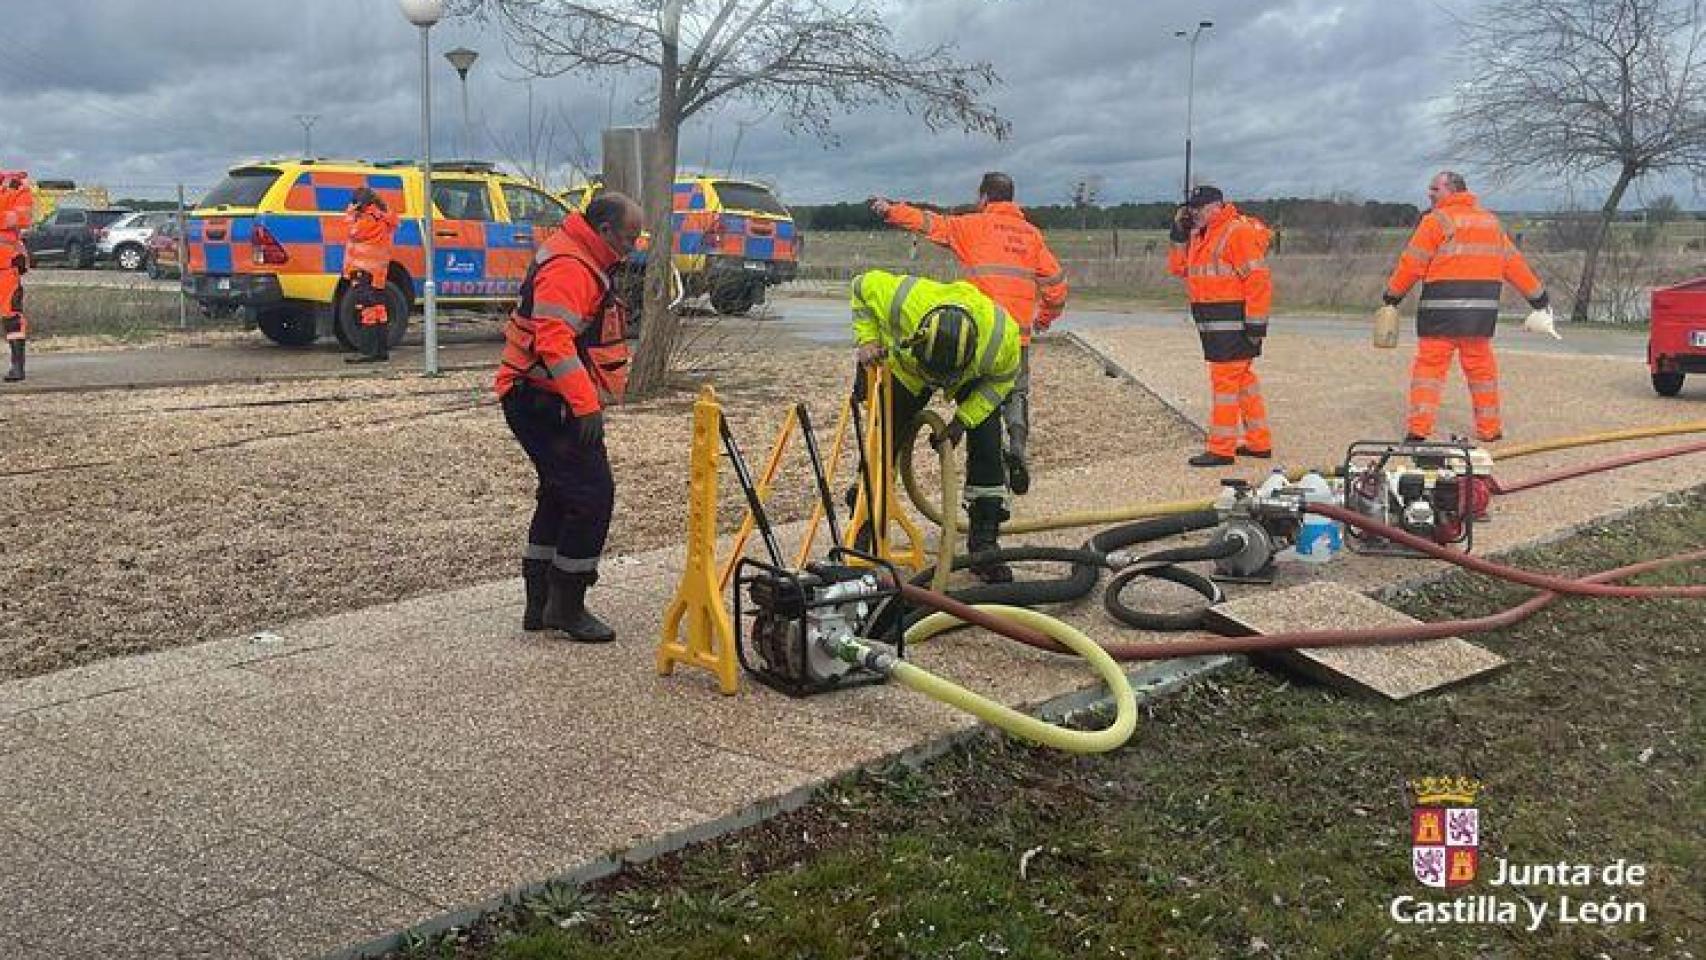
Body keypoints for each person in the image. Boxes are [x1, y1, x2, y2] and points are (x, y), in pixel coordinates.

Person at [495, 193, 642, 642]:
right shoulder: (571, 266)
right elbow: (553, 340)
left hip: (540, 396)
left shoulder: (578, 255)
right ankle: (567, 604)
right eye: (628, 237)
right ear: (603, 230)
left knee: (560, 495)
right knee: (593, 496)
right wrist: (585, 404)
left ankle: (539, 604)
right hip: (544, 400)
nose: (632, 247)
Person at [868, 173, 1067, 496]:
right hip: (1015, 338)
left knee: (969, 399)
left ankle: (883, 480)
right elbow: (1057, 285)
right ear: (1012, 199)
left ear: (985, 198)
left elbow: (929, 223)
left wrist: (890, 210)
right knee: (1013, 394)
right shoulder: (1032, 236)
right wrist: (1044, 318)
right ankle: (1016, 446)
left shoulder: (972, 224)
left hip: (974, 335)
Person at [850, 268, 1022, 584]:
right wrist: (868, 339)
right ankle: (865, 526)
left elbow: (1000, 383)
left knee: (987, 442)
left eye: (942, 380)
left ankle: (984, 542)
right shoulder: (901, 301)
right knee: (882, 443)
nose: (938, 386)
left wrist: (963, 420)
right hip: (906, 369)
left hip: (971, 379)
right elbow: (860, 286)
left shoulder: (1000, 340)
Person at [1381, 171, 1549, 443]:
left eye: (1435, 188)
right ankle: (1490, 430)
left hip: (1439, 316)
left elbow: (1412, 263)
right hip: (1479, 317)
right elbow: (1513, 264)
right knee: (1482, 373)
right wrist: (1538, 297)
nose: (1430, 193)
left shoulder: (1435, 222)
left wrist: (1392, 296)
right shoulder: (1490, 223)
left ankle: (1418, 431)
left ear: (1452, 190)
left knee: (1429, 373)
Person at [1167, 185, 1274, 467]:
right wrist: (1179, 235)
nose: (1194, 213)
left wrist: (1255, 326)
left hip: (1233, 324)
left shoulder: (1236, 232)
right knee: (1243, 383)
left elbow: (1258, 280)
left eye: (1199, 208)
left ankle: (1221, 449)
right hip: (1216, 324)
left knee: (1225, 385)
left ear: (1216, 207)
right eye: (1191, 209)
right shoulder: (1201, 234)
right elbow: (1180, 269)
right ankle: (1259, 442)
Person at [342, 187, 400, 364]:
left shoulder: (368, 218)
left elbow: (354, 232)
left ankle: (367, 351)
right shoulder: (382, 215)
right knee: (378, 309)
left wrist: (351, 213)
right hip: (377, 271)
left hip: (364, 270)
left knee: (366, 309)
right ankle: (381, 351)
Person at [0, 171, 33, 383]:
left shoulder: (16, 186)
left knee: (11, 315)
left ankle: (17, 367)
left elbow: (22, 218)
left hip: (6, 266)